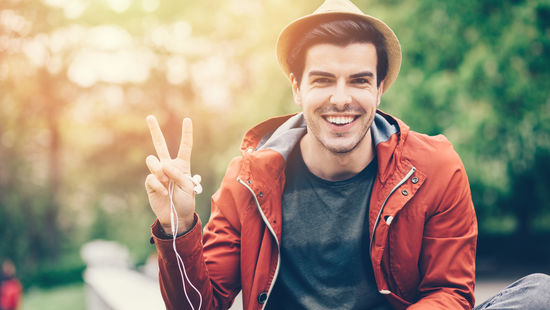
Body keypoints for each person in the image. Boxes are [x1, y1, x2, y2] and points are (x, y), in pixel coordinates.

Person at [144, 0, 550, 309]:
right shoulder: (248, 179)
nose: (341, 99)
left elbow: (450, 291)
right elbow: (201, 305)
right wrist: (177, 226)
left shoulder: (435, 167)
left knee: (539, 294)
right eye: (323, 80)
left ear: (379, 88)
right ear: (297, 88)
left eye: (359, 81)